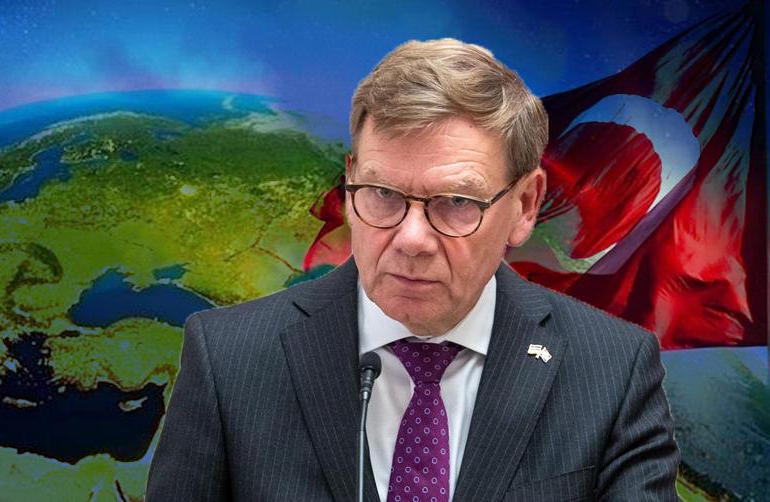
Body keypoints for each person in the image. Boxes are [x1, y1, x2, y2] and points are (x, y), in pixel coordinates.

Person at [146, 38, 680, 502]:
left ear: (524, 206)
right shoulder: (228, 359)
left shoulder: (613, 372)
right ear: (350, 183)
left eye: (457, 202)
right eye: (382, 194)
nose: (412, 239)